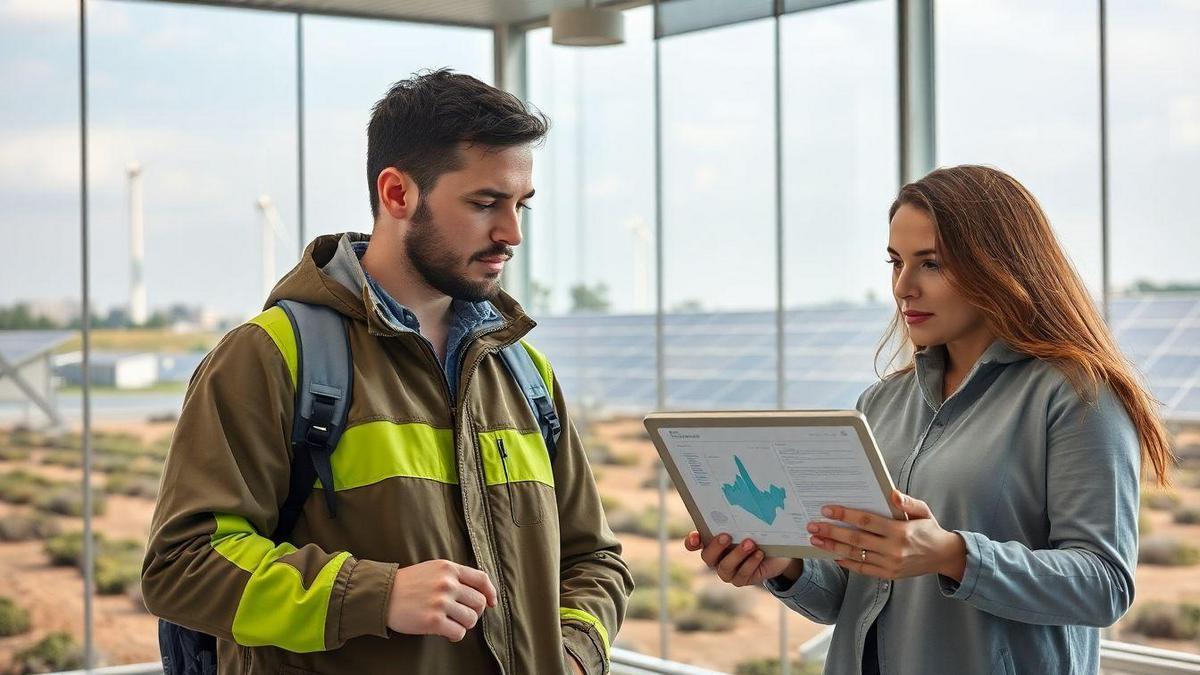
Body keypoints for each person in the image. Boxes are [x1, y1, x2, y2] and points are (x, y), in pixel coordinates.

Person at [142, 69, 633, 675]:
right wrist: (376, 596)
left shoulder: (522, 371)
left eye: (520, 205)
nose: (512, 233)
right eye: (484, 204)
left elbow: (594, 561)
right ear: (397, 194)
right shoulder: (268, 357)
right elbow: (183, 566)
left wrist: (574, 655)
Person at [687, 165, 1172, 674]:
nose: (903, 287)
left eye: (932, 264)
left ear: (998, 267)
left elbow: (1104, 586)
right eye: (896, 262)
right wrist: (782, 568)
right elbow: (847, 595)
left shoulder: (1078, 396)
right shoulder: (879, 404)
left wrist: (952, 555)